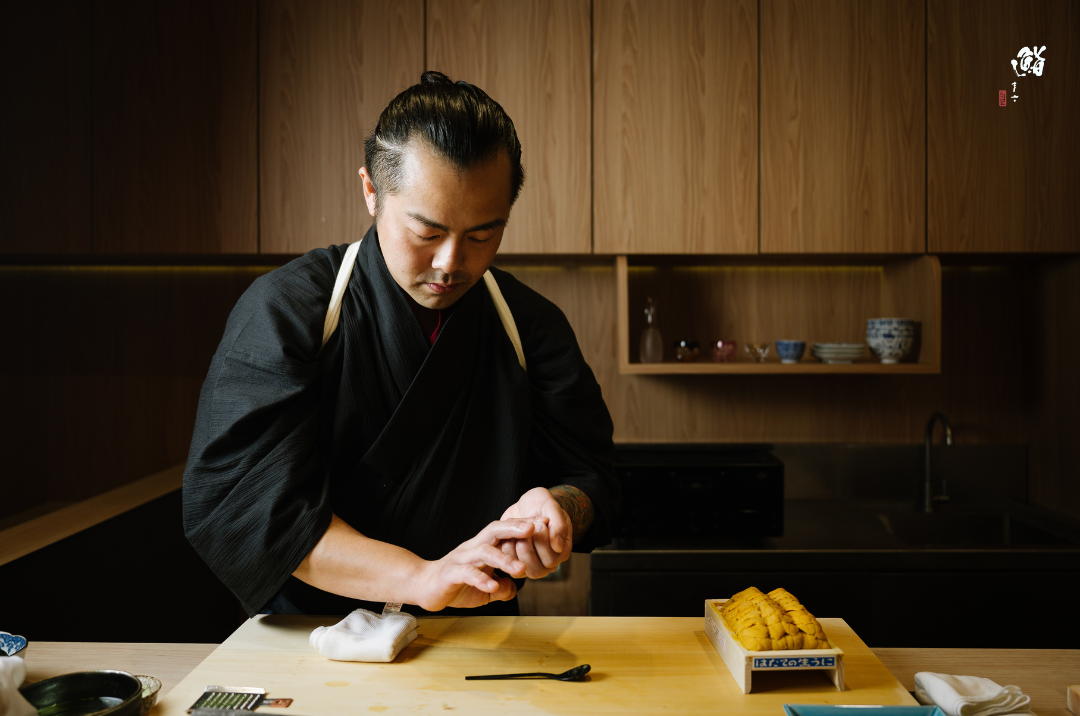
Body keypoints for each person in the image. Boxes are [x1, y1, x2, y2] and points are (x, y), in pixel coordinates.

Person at [182, 71, 619, 617]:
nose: (451, 263)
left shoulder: (529, 326)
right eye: (427, 233)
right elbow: (244, 503)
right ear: (371, 191)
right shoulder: (289, 310)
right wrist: (418, 578)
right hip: (310, 636)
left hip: (476, 638)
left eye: (483, 235)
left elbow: (594, 480)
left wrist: (555, 509)